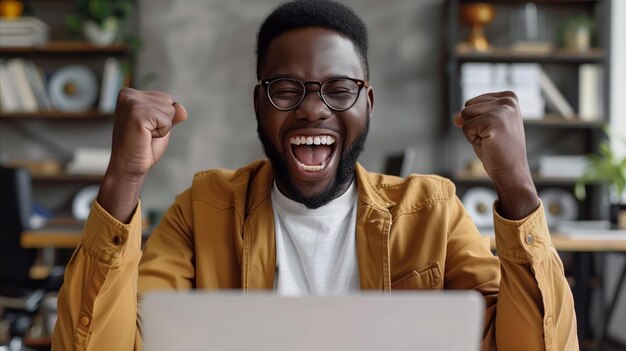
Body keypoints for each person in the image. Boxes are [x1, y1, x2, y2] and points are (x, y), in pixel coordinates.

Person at [52, 1, 577, 350]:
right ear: (259, 104)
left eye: (340, 89)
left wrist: (517, 188)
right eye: (286, 89)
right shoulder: (204, 207)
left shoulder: (432, 210)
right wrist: (124, 175)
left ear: (368, 104)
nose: (312, 110)